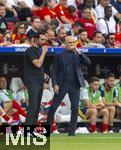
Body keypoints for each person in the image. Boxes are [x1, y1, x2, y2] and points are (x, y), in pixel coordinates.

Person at [47, 35, 91, 136]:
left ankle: (72, 132)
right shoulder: (59, 55)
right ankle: (48, 129)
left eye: (73, 42)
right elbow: (54, 71)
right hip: (63, 83)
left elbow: (88, 62)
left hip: (75, 84)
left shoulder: (78, 54)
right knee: (53, 107)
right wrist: (55, 84)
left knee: (75, 108)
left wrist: (80, 52)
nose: (72, 44)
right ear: (65, 44)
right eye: (70, 43)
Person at [24, 31, 48, 126]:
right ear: (35, 39)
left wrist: (43, 74)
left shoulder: (39, 50)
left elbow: (38, 67)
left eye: (45, 40)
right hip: (32, 82)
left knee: (37, 107)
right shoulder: (30, 50)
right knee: (33, 107)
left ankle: (31, 128)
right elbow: (38, 64)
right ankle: (28, 129)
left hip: (39, 81)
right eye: (42, 40)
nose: (44, 42)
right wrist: (44, 52)